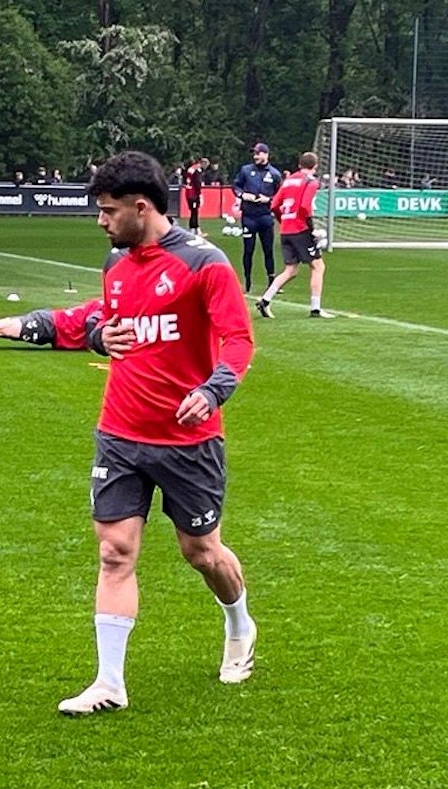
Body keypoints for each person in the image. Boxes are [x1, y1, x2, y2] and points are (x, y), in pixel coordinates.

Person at [57, 150, 256, 716]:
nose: (102, 220)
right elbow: (107, 322)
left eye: (108, 210)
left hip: (189, 439)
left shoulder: (205, 263)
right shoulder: (116, 263)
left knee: (201, 552)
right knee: (114, 552)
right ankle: (109, 683)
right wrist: (99, 337)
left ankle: (240, 624)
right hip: (120, 433)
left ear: (141, 207)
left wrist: (212, 390)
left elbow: (238, 340)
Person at [253, 151, 332, 320]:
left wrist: (284, 220)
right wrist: (311, 229)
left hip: (286, 229)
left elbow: (274, 205)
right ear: (315, 166)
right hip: (300, 229)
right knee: (318, 266)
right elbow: (304, 207)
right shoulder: (310, 182)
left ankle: (265, 300)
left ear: (299, 165)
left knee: (291, 270)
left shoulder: (289, 181)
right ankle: (316, 308)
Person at [232, 142, 282, 294]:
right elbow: (235, 186)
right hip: (249, 216)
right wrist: (242, 195)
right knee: (248, 250)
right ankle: (247, 282)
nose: (255, 156)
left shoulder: (274, 174)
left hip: (265, 217)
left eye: (258, 153)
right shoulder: (246, 170)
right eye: (254, 154)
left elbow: (279, 195)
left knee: (268, 250)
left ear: (266, 154)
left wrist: (268, 199)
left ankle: (272, 282)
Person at [184, 156, 207, 235]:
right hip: (193, 194)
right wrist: (199, 194)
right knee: (195, 211)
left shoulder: (189, 169)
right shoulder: (196, 170)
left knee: (193, 211)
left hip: (188, 193)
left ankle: (195, 228)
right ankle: (194, 229)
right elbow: (197, 183)